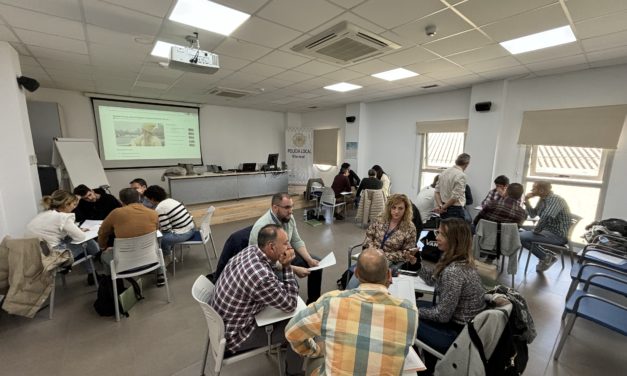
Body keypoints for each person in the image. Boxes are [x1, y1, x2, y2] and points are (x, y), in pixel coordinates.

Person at [286, 248, 418, 376]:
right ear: (389, 275)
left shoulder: (331, 302)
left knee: (318, 351)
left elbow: (292, 331)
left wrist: (314, 350)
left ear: (356, 274)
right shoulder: (409, 312)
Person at [210, 225, 301, 373]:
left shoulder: (251, 250)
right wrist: (287, 266)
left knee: (280, 308)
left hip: (224, 325)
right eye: (285, 243)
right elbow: (291, 304)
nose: (290, 247)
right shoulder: (261, 276)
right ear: (271, 247)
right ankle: (293, 372)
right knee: (299, 328)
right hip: (235, 338)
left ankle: (284, 344)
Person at [416, 218, 486, 372]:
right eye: (438, 232)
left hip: (458, 335)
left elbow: (442, 316)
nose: (437, 237)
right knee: (414, 307)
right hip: (462, 326)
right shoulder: (459, 259)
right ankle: (429, 363)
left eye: (442, 234)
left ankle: (425, 369)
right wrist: (416, 264)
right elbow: (434, 280)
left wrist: (413, 311)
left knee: (407, 319)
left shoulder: (454, 271)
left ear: (455, 240)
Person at [250, 193, 322, 304]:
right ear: (275, 208)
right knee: (293, 286)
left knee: (317, 265)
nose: (291, 211)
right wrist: (295, 269)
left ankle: (313, 303)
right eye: (287, 207)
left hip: (284, 255)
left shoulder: (289, 218)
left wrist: (309, 260)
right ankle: (291, 314)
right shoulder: (261, 227)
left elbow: (296, 241)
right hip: (269, 265)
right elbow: (268, 263)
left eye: (292, 206)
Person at [26, 190, 100, 285]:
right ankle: (98, 255)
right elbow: (81, 237)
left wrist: (75, 230)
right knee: (87, 243)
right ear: (66, 204)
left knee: (73, 240)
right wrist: (78, 231)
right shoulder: (63, 217)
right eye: (73, 204)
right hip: (52, 258)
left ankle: (93, 272)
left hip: (34, 257)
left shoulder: (43, 214)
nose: (74, 207)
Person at [347, 193, 418, 289]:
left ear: (406, 210)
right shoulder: (381, 218)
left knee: (367, 278)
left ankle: (356, 297)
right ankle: (349, 296)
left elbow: (406, 254)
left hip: (390, 260)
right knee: (359, 278)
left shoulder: (410, 228)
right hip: (371, 254)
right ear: (389, 208)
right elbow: (369, 236)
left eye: (400, 208)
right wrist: (373, 251)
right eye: (393, 207)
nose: (396, 211)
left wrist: (383, 255)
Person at [97, 188, 159, 277]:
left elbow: (102, 232)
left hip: (124, 265)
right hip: (151, 260)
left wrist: (103, 247)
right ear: (139, 198)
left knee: (104, 255)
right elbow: (156, 230)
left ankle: (114, 284)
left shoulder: (116, 213)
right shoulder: (153, 213)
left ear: (121, 201)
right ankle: (160, 274)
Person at [143, 185, 195, 285]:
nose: (147, 201)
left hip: (183, 234)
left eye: (147, 199)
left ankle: (162, 265)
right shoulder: (171, 200)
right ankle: (167, 256)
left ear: (153, 199)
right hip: (191, 228)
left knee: (157, 239)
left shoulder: (160, 208)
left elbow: (166, 229)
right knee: (160, 236)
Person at [520, 181, 572, 273]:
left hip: (557, 235)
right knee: (517, 229)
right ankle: (547, 254)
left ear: (541, 190)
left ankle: (546, 257)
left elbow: (546, 217)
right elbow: (532, 214)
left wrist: (536, 230)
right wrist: (526, 201)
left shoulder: (555, 199)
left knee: (520, 237)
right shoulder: (543, 199)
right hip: (546, 231)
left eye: (534, 188)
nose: (532, 190)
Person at [434, 153, 471, 220]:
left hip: (444, 209)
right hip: (455, 210)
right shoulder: (461, 175)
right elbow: (455, 197)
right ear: (467, 164)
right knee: (456, 230)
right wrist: (443, 207)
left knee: (445, 230)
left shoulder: (444, 172)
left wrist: (440, 206)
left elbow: (436, 192)